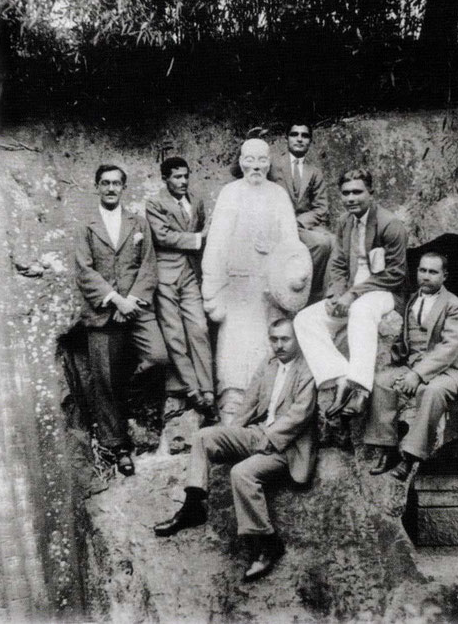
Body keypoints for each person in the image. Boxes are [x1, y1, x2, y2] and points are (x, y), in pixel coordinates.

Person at [153, 318, 317, 583]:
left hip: (287, 447)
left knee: (242, 473)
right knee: (204, 436)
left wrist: (269, 438)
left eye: (284, 339)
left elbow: (300, 415)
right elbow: (249, 402)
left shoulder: (307, 369)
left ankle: (267, 543)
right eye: (273, 339)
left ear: (297, 338)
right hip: (258, 434)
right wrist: (231, 436)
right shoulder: (268, 364)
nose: (278, 345)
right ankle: (193, 506)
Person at [75, 164, 169, 476]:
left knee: (157, 356)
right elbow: (83, 271)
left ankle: (131, 403)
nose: (111, 188)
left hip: (136, 307)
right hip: (103, 312)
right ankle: (117, 446)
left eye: (117, 183)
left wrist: (130, 301)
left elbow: (149, 266)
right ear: (97, 186)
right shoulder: (86, 226)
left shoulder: (138, 222)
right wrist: (114, 299)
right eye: (105, 183)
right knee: (104, 380)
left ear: (124, 188)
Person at [294, 167, 408, 422]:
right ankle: (341, 377)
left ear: (371, 193)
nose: (351, 198)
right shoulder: (345, 222)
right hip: (350, 294)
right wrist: (336, 294)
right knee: (305, 319)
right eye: (345, 193)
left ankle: (361, 390)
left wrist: (352, 295)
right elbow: (337, 264)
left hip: (384, 293)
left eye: (357, 192)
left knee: (361, 309)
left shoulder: (391, 225)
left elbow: (396, 273)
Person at [202, 138, 300, 420]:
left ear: (269, 163)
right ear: (241, 161)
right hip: (236, 287)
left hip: (270, 288)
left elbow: (292, 243)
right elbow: (217, 243)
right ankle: (231, 406)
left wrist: (289, 278)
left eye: (261, 160)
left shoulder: (278, 195)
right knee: (233, 345)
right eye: (249, 160)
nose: (255, 166)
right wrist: (212, 288)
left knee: (266, 344)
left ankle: (266, 406)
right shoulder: (230, 193)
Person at [365, 252, 458, 481]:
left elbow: (449, 348)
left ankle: (410, 456)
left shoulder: (455, 306)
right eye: (422, 270)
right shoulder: (412, 299)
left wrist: (418, 375)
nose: (426, 276)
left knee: (431, 392)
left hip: (448, 371)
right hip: (413, 364)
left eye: (433, 272)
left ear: (445, 276)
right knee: (382, 382)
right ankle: (387, 448)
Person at [145, 157, 218, 424]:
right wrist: (199, 239)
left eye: (186, 176)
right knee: (175, 335)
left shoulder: (195, 200)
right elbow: (162, 236)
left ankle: (209, 390)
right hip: (165, 275)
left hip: (189, 273)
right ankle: (193, 390)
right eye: (177, 177)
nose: (183, 181)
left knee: (199, 328)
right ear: (165, 179)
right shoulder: (155, 203)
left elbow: (199, 228)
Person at [269, 121, 334, 301]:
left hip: (302, 225)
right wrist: (249, 144)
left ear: (310, 141)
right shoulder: (273, 164)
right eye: (294, 134)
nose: (299, 139)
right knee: (320, 243)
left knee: (330, 242)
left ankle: (314, 293)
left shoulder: (314, 171)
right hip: (276, 224)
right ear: (286, 138)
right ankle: (292, 288)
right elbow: (238, 171)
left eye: (304, 136)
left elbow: (321, 207)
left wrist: (299, 222)